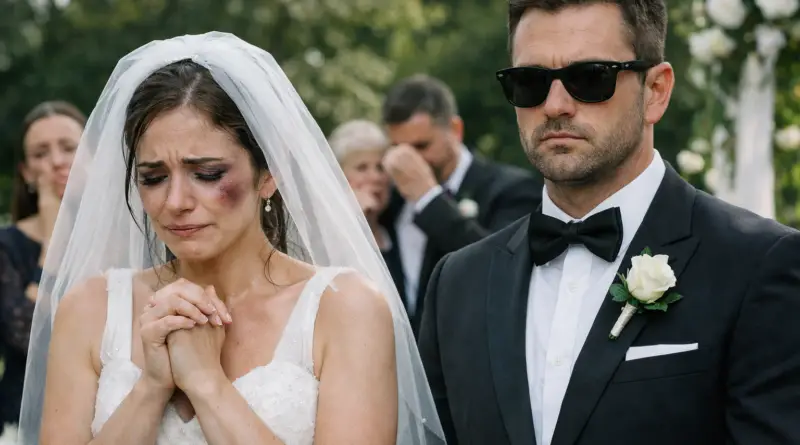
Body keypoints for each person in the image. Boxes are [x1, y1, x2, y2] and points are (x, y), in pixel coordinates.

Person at [18, 32, 444, 445]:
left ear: (269, 173)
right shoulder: (90, 308)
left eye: (207, 174)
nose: (176, 202)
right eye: (154, 177)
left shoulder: (346, 308)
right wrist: (150, 388)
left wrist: (207, 384)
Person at [418, 1, 800, 445]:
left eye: (590, 78)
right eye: (530, 82)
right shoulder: (457, 283)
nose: (555, 105)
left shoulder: (756, 265)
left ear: (656, 91)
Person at [380, 74, 541, 332]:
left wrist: (428, 198)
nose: (409, 161)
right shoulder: (389, 200)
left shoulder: (512, 189)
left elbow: (501, 270)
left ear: (455, 130)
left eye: (421, 146)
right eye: (398, 148)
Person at [0, 101, 85, 436]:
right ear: (26, 172)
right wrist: (51, 241)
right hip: (24, 422)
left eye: (69, 147)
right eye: (40, 153)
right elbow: (25, 338)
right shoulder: (7, 247)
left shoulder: (127, 236)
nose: (57, 161)